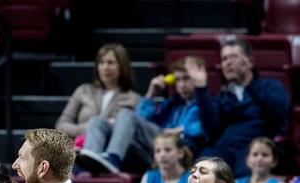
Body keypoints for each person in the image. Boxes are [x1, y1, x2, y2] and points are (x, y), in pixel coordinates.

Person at [77, 56, 205, 174]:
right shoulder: (172, 104)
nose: (181, 85)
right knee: (97, 122)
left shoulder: (205, 104)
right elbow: (139, 119)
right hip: (148, 147)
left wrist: (172, 131)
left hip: (172, 152)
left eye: (186, 79)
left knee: (126, 114)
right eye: (178, 80)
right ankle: (91, 159)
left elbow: (196, 130)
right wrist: (151, 94)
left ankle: (113, 158)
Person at [190, 38, 290, 178]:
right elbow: (210, 130)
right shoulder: (222, 96)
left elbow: (279, 114)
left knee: (247, 169)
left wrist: (249, 85)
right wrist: (201, 88)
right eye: (224, 59)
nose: (228, 62)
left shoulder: (270, 86)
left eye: (233, 57)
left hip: (254, 147)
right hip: (225, 148)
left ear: (250, 62)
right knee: (202, 167)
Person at [55, 43, 139, 141]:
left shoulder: (133, 98)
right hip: (80, 147)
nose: (105, 67)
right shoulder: (83, 90)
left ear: (122, 66)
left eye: (110, 63)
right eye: (101, 62)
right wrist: (89, 128)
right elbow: (61, 126)